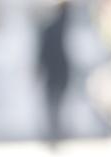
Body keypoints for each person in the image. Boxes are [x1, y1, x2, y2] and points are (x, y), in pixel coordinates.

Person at [38, 0, 73, 147]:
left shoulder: (52, 28)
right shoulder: (59, 27)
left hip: (56, 72)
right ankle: (54, 135)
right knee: (55, 105)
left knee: (55, 104)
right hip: (57, 71)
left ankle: (55, 135)